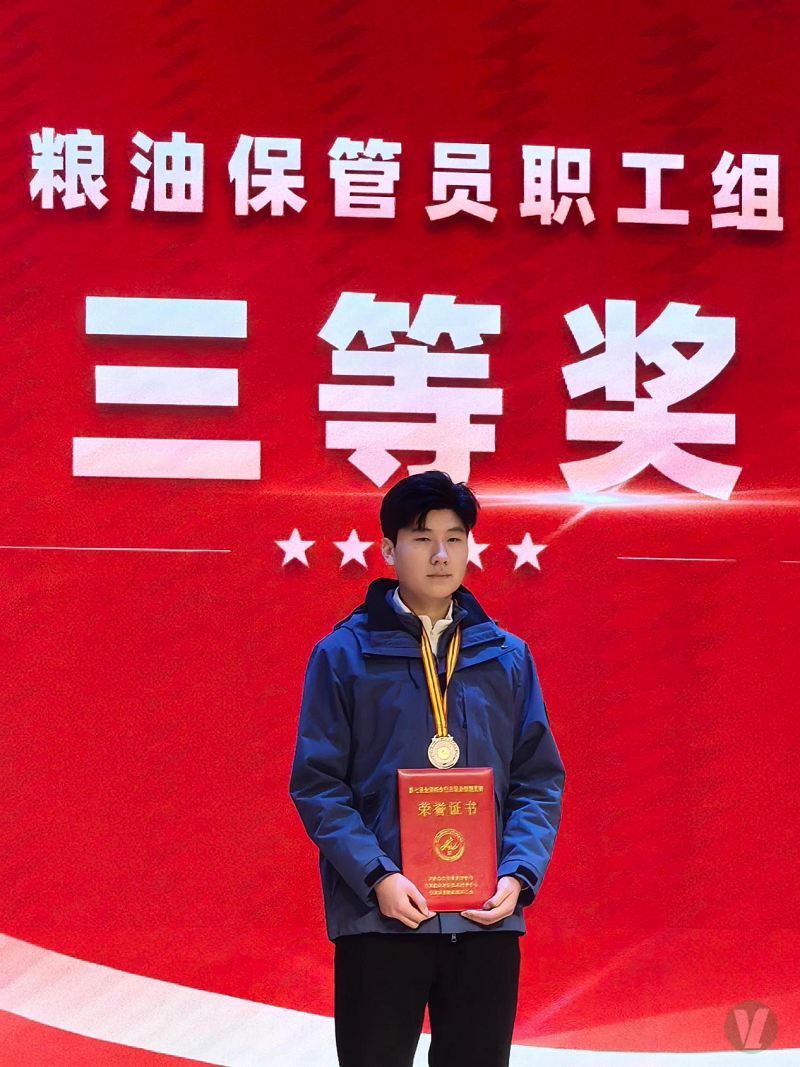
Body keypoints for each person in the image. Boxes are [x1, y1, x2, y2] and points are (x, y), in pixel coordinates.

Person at [289, 470, 565, 1067]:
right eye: (421, 538)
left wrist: (517, 876)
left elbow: (538, 779)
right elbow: (318, 784)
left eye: (454, 538)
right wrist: (377, 877)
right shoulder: (343, 655)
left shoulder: (507, 656)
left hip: (485, 917)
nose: (441, 554)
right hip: (382, 916)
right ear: (389, 550)